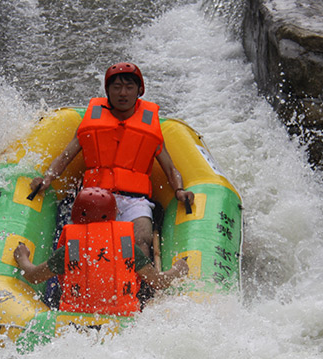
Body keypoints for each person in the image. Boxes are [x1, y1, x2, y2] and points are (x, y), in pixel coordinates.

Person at [29, 62, 195, 259]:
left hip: (135, 201)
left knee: (141, 238)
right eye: (116, 87)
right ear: (107, 90)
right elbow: (65, 158)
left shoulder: (150, 129)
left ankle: (136, 286)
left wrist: (179, 190)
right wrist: (47, 179)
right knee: (83, 244)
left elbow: (170, 169)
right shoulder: (91, 123)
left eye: (129, 87)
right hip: (94, 197)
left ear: (139, 91)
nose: (122, 93)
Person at [14, 187, 189, 316]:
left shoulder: (72, 248)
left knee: (54, 294)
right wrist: (178, 269)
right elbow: (158, 281)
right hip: (121, 319)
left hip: (75, 319)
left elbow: (33, 276)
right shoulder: (126, 245)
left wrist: (23, 258)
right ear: (113, 215)